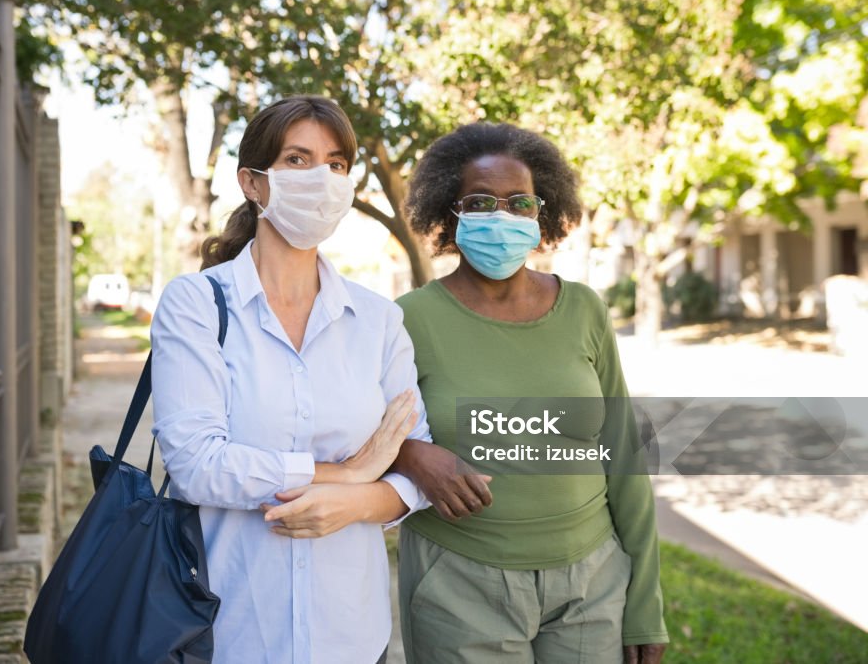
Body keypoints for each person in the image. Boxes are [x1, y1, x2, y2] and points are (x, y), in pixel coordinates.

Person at [149, 95, 431, 664]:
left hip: (351, 634)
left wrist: (354, 503)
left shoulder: (378, 320)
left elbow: (414, 461)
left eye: (336, 164)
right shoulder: (198, 305)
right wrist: (351, 470)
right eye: (297, 160)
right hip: (228, 631)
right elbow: (198, 464)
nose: (322, 179)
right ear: (252, 183)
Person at [390, 122, 670, 663]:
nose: (502, 216)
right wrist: (411, 453)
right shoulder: (407, 321)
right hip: (459, 584)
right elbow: (355, 437)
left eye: (520, 203)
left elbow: (624, 456)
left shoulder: (585, 309)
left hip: (593, 584)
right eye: (480, 201)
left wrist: (644, 604)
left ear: (543, 212)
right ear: (451, 212)